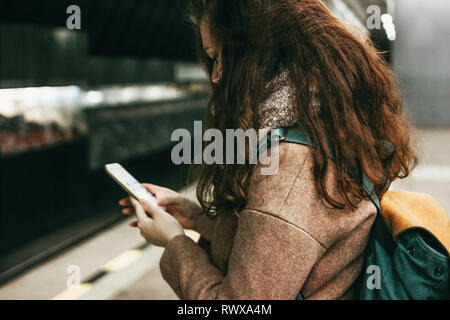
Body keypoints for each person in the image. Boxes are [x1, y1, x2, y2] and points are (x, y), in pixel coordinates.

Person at [119, 0, 417, 299]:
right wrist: (195, 218)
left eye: (219, 56)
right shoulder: (324, 128)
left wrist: (174, 243)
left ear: (257, 53)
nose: (216, 75)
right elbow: (282, 243)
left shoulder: (291, 165)